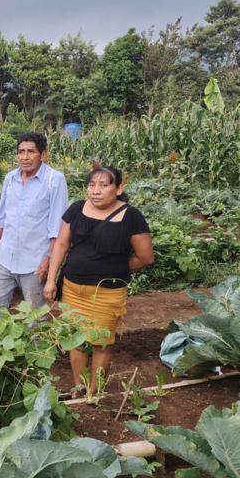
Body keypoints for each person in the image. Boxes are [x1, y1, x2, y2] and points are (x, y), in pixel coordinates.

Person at [43, 165, 154, 397]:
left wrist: (118, 268)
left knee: (100, 343)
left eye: (104, 185)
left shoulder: (131, 216)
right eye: (92, 185)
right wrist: (51, 280)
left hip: (106, 292)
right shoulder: (76, 209)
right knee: (76, 340)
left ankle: (95, 392)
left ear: (119, 188)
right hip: (72, 288)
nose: (96, 190)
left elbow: (145, 257)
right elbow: (61, 245)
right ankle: (79, 386)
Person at [0, 132, 68, 318]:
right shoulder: (10, 178)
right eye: (21, 151)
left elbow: (57, 227)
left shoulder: (54, 180)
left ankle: (38, 348)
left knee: (36, 318)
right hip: (5, 258)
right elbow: (1, 218)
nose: (25, 157)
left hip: (35, 263)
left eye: (31, 151)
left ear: (43, 154)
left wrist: (49, 259)